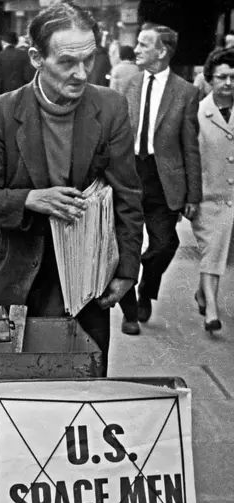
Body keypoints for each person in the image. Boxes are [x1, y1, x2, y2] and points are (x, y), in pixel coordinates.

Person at [0, 1, 143, 374]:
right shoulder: (1, 113)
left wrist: (126, 271)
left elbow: (128, 195)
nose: (80, 73)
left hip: (85, 284)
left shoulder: (110, 108)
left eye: (88, 60)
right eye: (66, 62)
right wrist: (30, 199)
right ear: (36, 57)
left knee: (79, 393)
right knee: (11, 396)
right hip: (16, 283)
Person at [119, 23, 202, 334]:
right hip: (128, 177)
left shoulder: (186, 92)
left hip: (164, 181)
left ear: (162, 51)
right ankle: (130, 314)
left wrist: (193, 195)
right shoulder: (127, 85)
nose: (136, 49)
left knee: (165, 245)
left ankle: (147, 286)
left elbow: (190, 147)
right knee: (124, 246)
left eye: (144, 44)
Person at [190, 47, 234, 333]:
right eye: (222, 77)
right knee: (213, 250)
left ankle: (201, 292)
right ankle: (212, 312)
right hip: (208, 197)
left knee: (217, 254)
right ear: (210, 79)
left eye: (233, 77)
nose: (228, 83)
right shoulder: (197, 113)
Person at [0, 30, 35, 96]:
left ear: (3, 42)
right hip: (21, 94)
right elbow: (28, 76)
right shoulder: (24, 55)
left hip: (4, 95)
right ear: (16, 42)